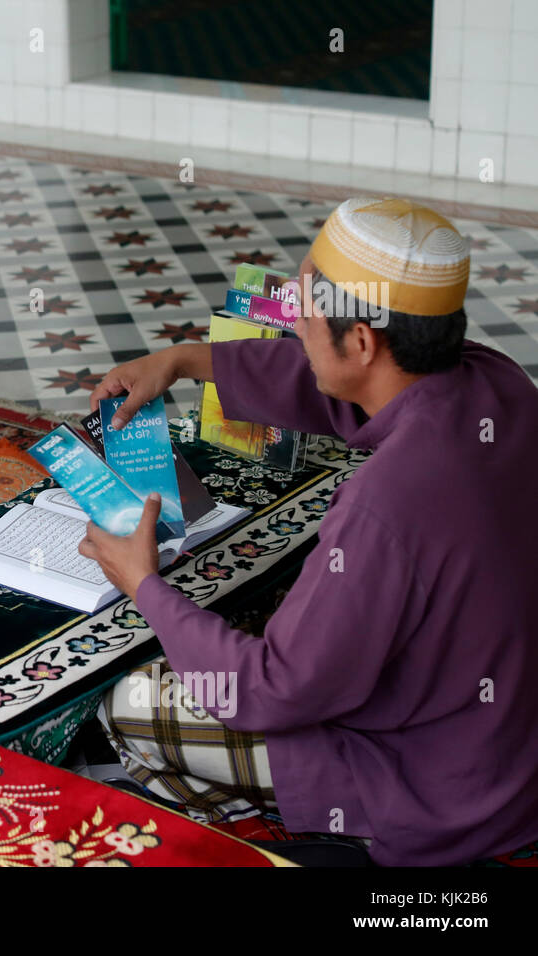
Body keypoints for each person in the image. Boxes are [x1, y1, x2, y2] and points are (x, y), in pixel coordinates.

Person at [80, 197, 538, 866]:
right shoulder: (501, 385)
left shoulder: (385, 504)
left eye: (306, 308)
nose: (290, 314)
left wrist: (144, 584)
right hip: (511, 742)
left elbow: (270, 690)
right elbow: (338, 382)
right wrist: (182, 360)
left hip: (435, 789)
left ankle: (309, 840)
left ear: (361, 341)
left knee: (131, 702)